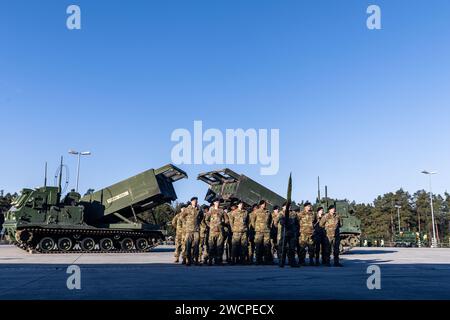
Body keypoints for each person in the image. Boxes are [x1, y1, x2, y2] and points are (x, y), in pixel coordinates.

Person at [205, 198, 227, 266]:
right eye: (216, 202)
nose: (218, 203)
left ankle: (218, 260)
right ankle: (210, 260)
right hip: (212, 231)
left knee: (219, 246)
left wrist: (222, 224)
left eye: (218, 202)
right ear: (214, 203)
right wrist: (210, 226)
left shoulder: (221, 211)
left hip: (220, 231)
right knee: (211, 246)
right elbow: (206, 220)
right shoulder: (210, 211)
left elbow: (226, 219)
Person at [182, 197, 202, 266]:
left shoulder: (199, 209)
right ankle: (188, 260)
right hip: (189, 230)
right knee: (188, 245)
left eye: (196, 201)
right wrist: (186, 223)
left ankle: (196, 260)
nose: (195, 202)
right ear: (191, 202)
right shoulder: (187, 209)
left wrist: (198, 223)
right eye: (194, 201)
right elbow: (182, 217)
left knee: (196, 245)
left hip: (196, 230)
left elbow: (201, 217)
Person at [278, 202, 299, 268]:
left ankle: (292, 262)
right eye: (287, 206)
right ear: (283, 207)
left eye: (290, 206)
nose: (289, 207)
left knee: (292, 248)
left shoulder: (294, 213)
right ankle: (282, 262)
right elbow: (281, 222)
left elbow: (297, 222)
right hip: (285, 232)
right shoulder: (281, 213)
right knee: (283, 248)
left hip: (292, 233)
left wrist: (296, 231)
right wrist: (285, 221)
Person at [251, 200, 272, 265]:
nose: (264, 205)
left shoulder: (268, 212)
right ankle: (258, 260)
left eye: (265, 204)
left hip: (266, 231)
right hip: (259, 231)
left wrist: (269, 227)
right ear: (260, 205)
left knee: (266, 245)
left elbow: (270, 221)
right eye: (263, 204)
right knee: (258, 245)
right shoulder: (256, 212)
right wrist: (256, 228)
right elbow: (252, 221)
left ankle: (266, 260)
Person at [229, 200, 249, 265]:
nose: (241, 205)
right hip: (236, 232)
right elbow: (231, 222)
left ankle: (242, 260)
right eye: (240, 204)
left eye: (242, 204)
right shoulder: (233, 212)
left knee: (244, 246)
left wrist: (246, 228)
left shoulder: (245, 212)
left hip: (243, 231)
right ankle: (233, 260)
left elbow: (247, 221)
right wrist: (233, 229)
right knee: (234, 246)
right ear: (237, 205)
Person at [297, 201, 315, 266]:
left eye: (310, 206)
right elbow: (296, 221)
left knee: (311, 247)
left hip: (311, 233)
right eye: (308, 206)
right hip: (303, 233)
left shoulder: (312, 214)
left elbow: (314, 221)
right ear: (305, 207)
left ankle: (311, 260)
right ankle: (301, 261)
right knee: (302, 247)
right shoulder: (300, 214)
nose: (309, 207)